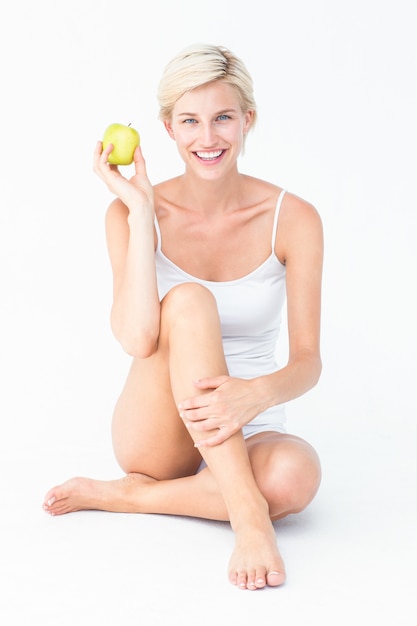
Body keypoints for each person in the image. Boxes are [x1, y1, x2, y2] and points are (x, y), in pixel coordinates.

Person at [43, 43, 323, 591]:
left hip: (248, 418)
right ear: (168, 129)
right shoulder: (127, 216)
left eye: (223, 118)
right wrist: (142, 211)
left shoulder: (293, 218)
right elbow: (137, 336)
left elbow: (309, 363)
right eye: (190, 121)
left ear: (248, 120)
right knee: (192, 301)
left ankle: (127, 495)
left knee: (297, 475)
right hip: (160, 430)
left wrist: (255, 394)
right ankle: (247, 514)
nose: (208, 138)